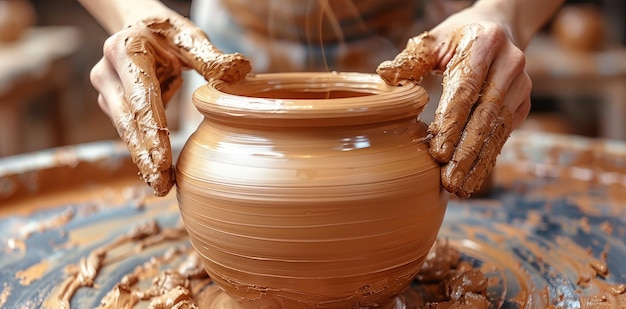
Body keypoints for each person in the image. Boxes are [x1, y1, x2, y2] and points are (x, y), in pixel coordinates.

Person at [77, 0, 564, 197]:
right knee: (225, 198)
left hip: (420, 46)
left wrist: (506, 11)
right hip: (230, 44)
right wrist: (134, 13)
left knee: (458, 183)